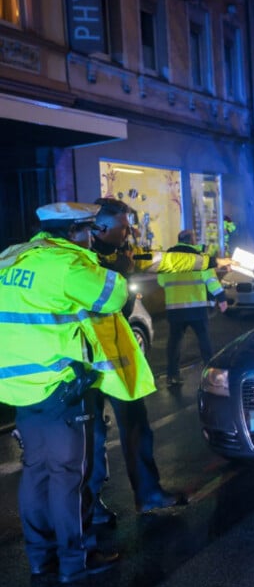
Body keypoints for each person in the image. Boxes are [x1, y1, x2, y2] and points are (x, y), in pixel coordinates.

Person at [0, 202, 153, 583]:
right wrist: (109, 261)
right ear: (74, 232)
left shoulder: (10, 259)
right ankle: (76, 559)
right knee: (69, 475)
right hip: (60, 386)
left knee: (36, 473)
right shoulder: (69, 266)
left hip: (18, 386)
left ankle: (40, 557)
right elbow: (115, 296)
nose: (94, 236)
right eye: (89, 229)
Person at [88, 198, 188, 525]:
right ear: (100, 227)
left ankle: (148, 495)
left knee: (137, 429)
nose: (129, 232)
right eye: (123, 226)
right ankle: (90, 507)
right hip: (85, 361)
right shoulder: (82, 259)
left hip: (116, 357)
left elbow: (162, 260)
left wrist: (207, 259)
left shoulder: (125, 253)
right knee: (91, 437)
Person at [158, 229, 228, 388]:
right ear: (190, 240)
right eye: (195, 238)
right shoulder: (199, 258)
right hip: (196, 306)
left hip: (174, 307)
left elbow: (162, 281)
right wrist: (221, 298)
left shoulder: (167, 258)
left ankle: (172, 375)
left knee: (174, 342)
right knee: (204, 340)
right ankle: (211, 375)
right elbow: (210, 280)